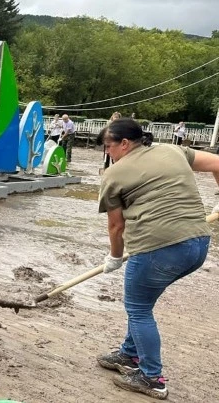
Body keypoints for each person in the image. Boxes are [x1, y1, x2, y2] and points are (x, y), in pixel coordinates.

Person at [96, 118, 214, 400]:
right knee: (142, 304)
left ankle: (152, 378)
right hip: (198, 243)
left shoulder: (114, 174)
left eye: (109, 146)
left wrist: (114, 257)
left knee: (138, 308)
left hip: (159, 248)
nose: (107, 152)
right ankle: (128, 354)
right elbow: (218, 163)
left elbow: (116, 227)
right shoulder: (172, 151)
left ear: (124, 143)